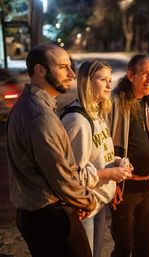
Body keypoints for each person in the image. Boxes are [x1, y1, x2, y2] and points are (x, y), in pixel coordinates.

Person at [6, 43, 96, 257]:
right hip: (50, 218)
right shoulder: (40, 117)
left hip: (40, 215)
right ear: (40, 70)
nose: (71, 74)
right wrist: (87, 200)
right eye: (63, 67)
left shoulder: (29, 105)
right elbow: (61, 175)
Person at [61, 60, 132, 257]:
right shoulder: (78, 121)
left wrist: (117, 162)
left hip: (98, 202)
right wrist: (110, 173)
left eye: (110, 79)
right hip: (83, 207)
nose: (109, 85)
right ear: (86, 82)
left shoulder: (97, 114)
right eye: (102, 79)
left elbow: (97, 154)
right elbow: (73, 175)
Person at [108, 54, 149, 257]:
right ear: (130, 75)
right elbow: (106, 145)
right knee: (123, 246)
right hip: (125, 189)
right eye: (145, 74)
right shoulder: (116, 102)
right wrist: (113, 184)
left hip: (148, 188)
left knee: (144, 244)